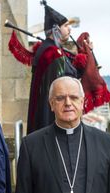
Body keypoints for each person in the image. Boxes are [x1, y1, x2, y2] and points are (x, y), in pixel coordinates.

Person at [26, 1, 78, 134]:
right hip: (50, 118)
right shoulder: (52, 53)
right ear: (55, 29)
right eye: (66, 26)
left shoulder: (52, 50)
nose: (69, 29)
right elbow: (60, 87)